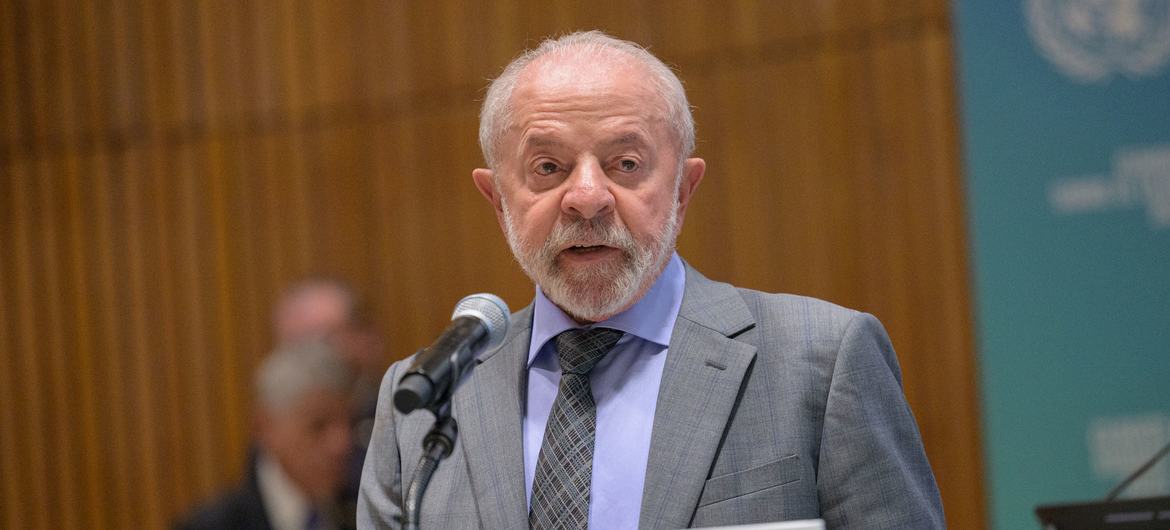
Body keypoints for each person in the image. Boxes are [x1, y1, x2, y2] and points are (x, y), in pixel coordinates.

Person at [359, 31, 945, 529]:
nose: (587, 199)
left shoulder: (820, 359)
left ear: (684, 190)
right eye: (547, 168)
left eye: (626, 164)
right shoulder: (420, 400)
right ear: (497, 201)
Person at [176, 340, 358, 530]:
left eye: (351, 424)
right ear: (264, 428)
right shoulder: (210, 526)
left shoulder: (367, 512)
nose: (342, 444)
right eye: (318, 426)